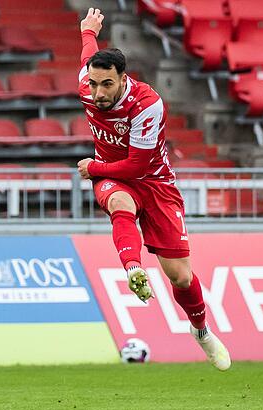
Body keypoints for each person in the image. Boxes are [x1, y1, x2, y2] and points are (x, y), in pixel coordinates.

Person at [75, 8, 231, 370]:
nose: (97, 92)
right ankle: (132, 268)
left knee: (180, 276)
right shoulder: (87, 81)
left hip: (153, 181)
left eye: (106, 85)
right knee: (119, 202)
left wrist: (94, 166)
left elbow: (138, 165)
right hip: (115, 180)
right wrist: (88, 30)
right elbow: (87, 54)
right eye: (94, 83)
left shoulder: (147, 105)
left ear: (123, 78)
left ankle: (201, 330)